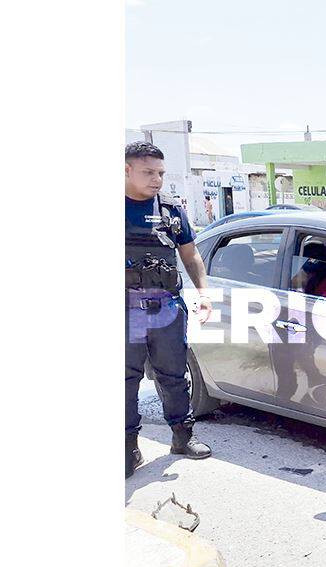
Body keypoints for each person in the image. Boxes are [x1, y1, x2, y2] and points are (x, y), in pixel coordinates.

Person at [125, 141, 214, 478]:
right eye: (148, 172)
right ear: (126, 170)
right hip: (126, 309)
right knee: (125, 380)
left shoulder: (171, 211)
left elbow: (190, 255)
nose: (157, 179)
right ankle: (128, 449)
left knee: (174, 375)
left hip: (165, 308)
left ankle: (182, 438)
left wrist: (204, 292)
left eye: (160, 173)